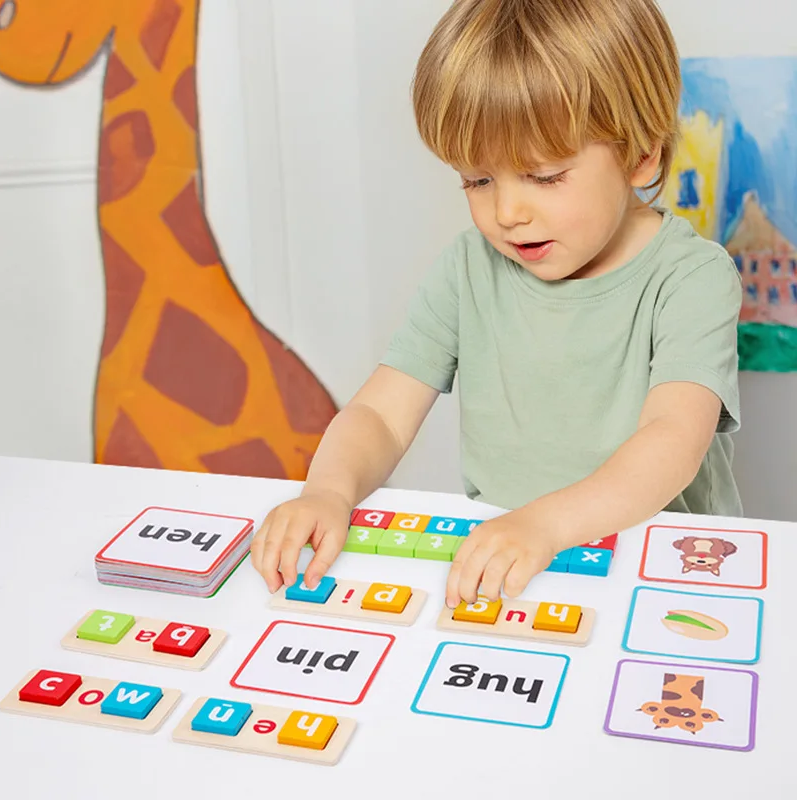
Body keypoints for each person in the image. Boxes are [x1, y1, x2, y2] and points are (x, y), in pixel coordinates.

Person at [251, 0, 743, 610]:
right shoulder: (468, 266)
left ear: (641, 152)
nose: (507, 213)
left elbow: (672, 440)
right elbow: (381, 412)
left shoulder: (692, 277)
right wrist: (328, 491)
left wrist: (545, 525)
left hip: (662, 568)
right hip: (513, 562)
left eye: (544, 176)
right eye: (478, 180)